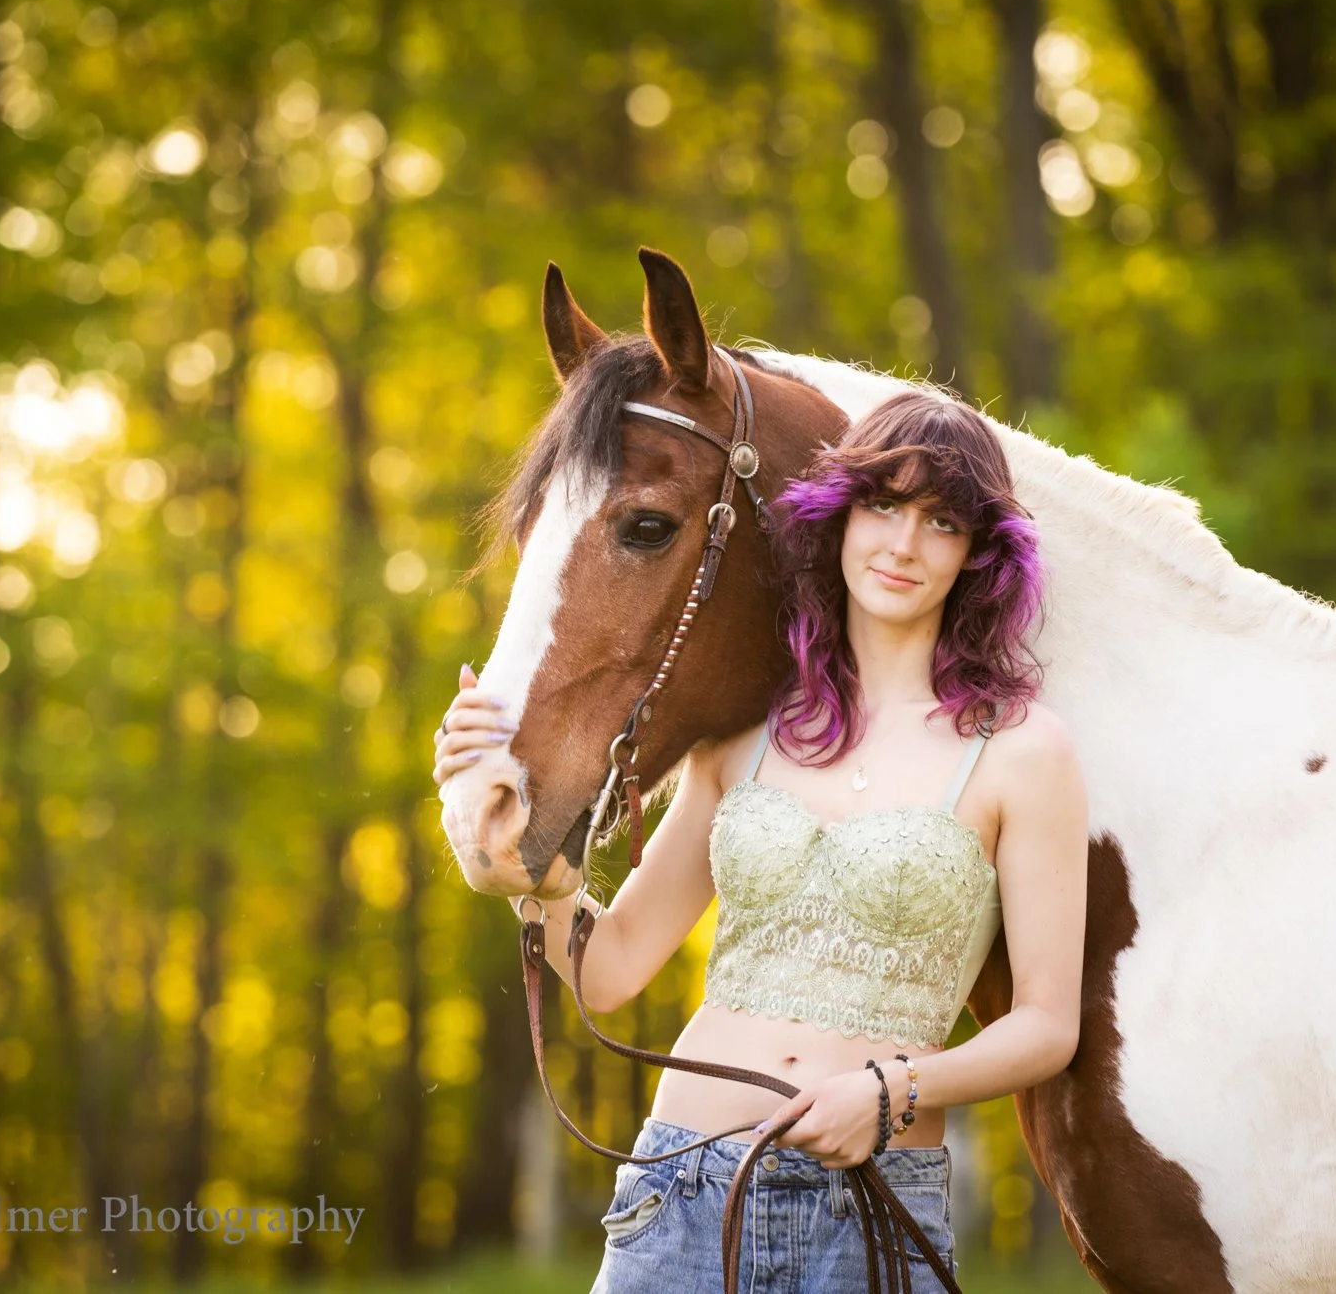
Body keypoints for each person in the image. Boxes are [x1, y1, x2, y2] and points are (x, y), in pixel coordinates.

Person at [433, 391, 1088, 1291]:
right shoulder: (745, 734)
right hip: (682, 1188)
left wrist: (894, 1088)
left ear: (978, 554)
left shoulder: (1022, 753)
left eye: (942, 520)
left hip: (870, 1213)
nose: (902, 544)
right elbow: (614, 966)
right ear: (841, 514)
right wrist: (527, 874)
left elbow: (1046, 1028)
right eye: (884, 504)